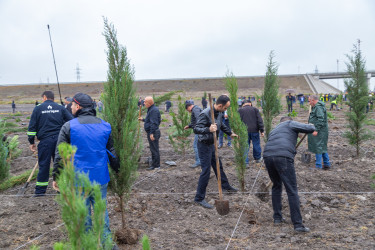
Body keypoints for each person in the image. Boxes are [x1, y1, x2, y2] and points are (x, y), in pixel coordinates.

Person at [52, 92, 119, 246]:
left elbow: (60, 154)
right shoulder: (105, 125)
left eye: (73, 105)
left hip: (78, 180)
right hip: (100, 177)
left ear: (78, 106)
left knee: (84, 216)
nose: (71, 107)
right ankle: (107, 244)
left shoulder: (68, 126)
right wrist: (118, 169)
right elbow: (111, 153)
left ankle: (89, 245)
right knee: (102, 212)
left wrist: (56, 176)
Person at [263, 116, 315, 233]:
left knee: (276, 186)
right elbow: (310, 128)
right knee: (292, 190)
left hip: (267, 156)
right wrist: (311, 125)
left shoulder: (274, 129)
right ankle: (298, 225)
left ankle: (277, 218)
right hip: (283, 157)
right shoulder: (290, 123)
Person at [193, 95, 238, 209]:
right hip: (204, 145)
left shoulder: (219, 112)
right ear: (219, 105)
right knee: (206, 171)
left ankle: (225, 186)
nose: (226, 110)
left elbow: (221, 124)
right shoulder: (205, 113)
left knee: (219, 166)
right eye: (225, 108)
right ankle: (199, 198)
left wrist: (230, 133)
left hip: (212, 144)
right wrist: (208, 129)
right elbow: (196, 129)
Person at [27, 91, 73, 196]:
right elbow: (71, 122)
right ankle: (61, 190)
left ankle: (40, 192)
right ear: (53, 98)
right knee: (60, 165)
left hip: (45, 142)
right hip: (60, 141)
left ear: (44, 97)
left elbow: (32, 128)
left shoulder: (38, 108)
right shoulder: (60, 108)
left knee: (44, 166)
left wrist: (31, 141)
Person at [308, 95, 331, 169]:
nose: (309, 103)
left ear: (313, 100)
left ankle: (318, 166)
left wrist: (316, 130)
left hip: (320, 130)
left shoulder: (318, 107)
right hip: (321, 130)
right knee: (322, 146)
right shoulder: (316, 107)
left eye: (309, 101)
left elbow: (320, 119)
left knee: (318, 146)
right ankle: (326, 164)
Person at [139, 96, 161, 170]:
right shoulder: (150, 109)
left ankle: (156, 165)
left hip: (153, 133)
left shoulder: (154, 110)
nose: (144, 103)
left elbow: (154, 123)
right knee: (153, 148)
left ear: (149, 103)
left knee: (154, 149)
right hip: (152, 132)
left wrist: (151, 133)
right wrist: (143, 120)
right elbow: (149, 120)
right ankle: (154, 164)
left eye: (145, 102)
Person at [239, 100, 264, 164]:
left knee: (245, 146)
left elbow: (237, 122)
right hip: (254, 130)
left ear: (243, 104)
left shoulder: (240, 110)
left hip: (244, 131)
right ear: (250, 103)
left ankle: (245, 162)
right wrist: (262, 130)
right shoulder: (255, 109)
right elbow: (259, 120)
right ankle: (258, 158)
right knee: (256, 144)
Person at [184, 102, 203, 168]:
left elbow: (199, 119)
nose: (188, 111)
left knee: (195, 146)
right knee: (200, 146)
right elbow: (195, 121)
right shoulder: (197, 109)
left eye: (187, 110)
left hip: (199, 131)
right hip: (201, 130)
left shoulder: (195, 109)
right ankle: (202, 160)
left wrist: (197, 128)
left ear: (189, 107)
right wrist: (189, 126)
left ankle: (198, 161)